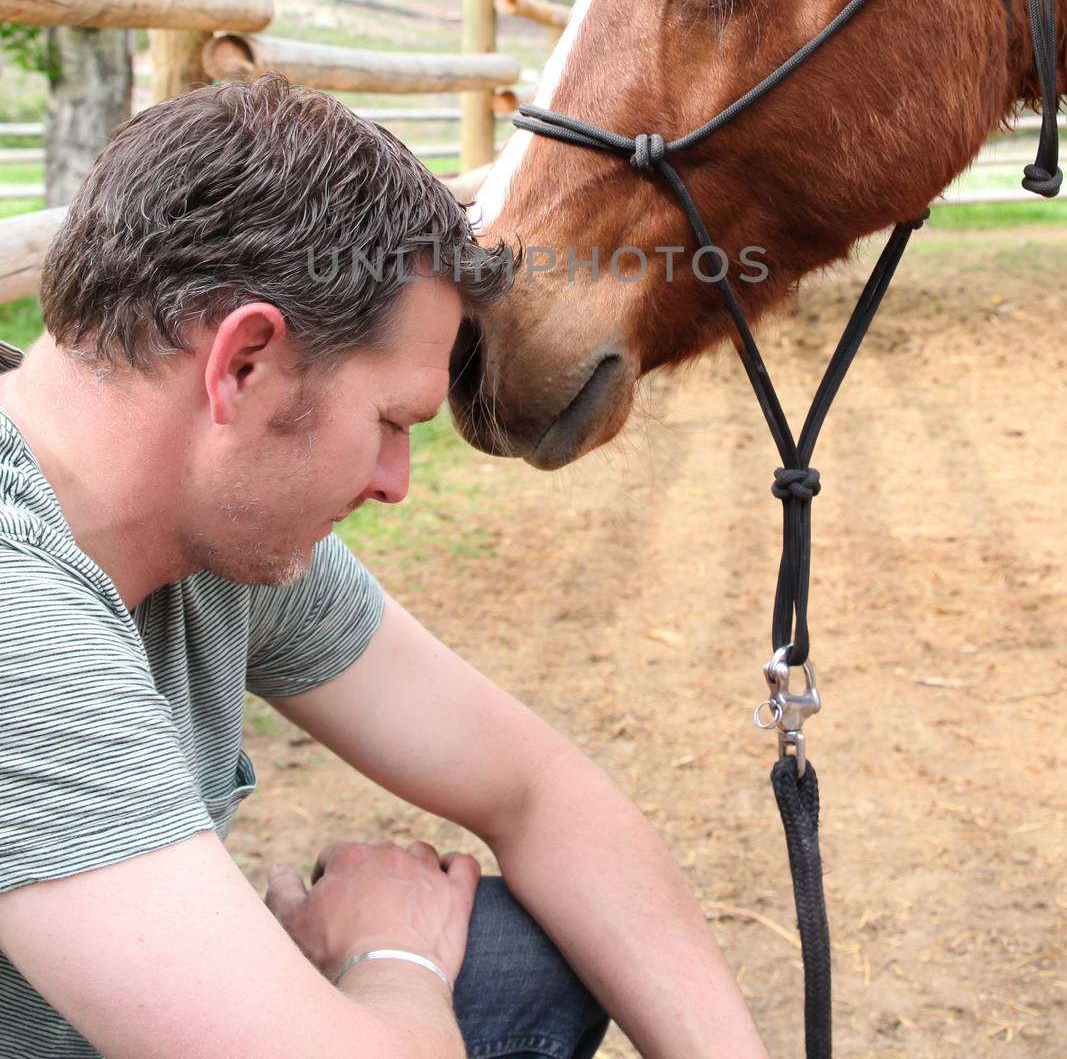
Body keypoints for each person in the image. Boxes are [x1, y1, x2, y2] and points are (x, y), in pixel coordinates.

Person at [0, 74, 769, 1059]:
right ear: (242, 364)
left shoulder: (204, 520)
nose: (396, 481)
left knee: (515, 957)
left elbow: (537, 789)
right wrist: (390, 958)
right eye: (390, 423)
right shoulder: (21, 619)